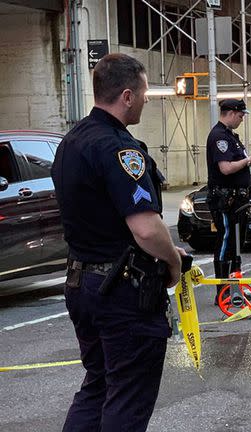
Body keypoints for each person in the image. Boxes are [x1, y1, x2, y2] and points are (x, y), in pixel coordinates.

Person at [51, 53, 185, 431]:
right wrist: (173, 261)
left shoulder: (70, 142)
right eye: (144, 94)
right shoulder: (120, 150)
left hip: (82, 284)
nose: (145, 100)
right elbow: (145, 227)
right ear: (127, 95)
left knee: (97, 386)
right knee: (127, 396)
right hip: (123, 293)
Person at [206, 99, 251, 303]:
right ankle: (223, 289)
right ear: (230, 113)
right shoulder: (219, 136)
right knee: (226, 241)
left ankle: (234, 286)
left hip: (238, 199)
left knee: (236, 244)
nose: (241, 120)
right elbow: (226, 168)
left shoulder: (230, 136)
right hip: (225, 199)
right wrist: (248, 160)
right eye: (240, 116)